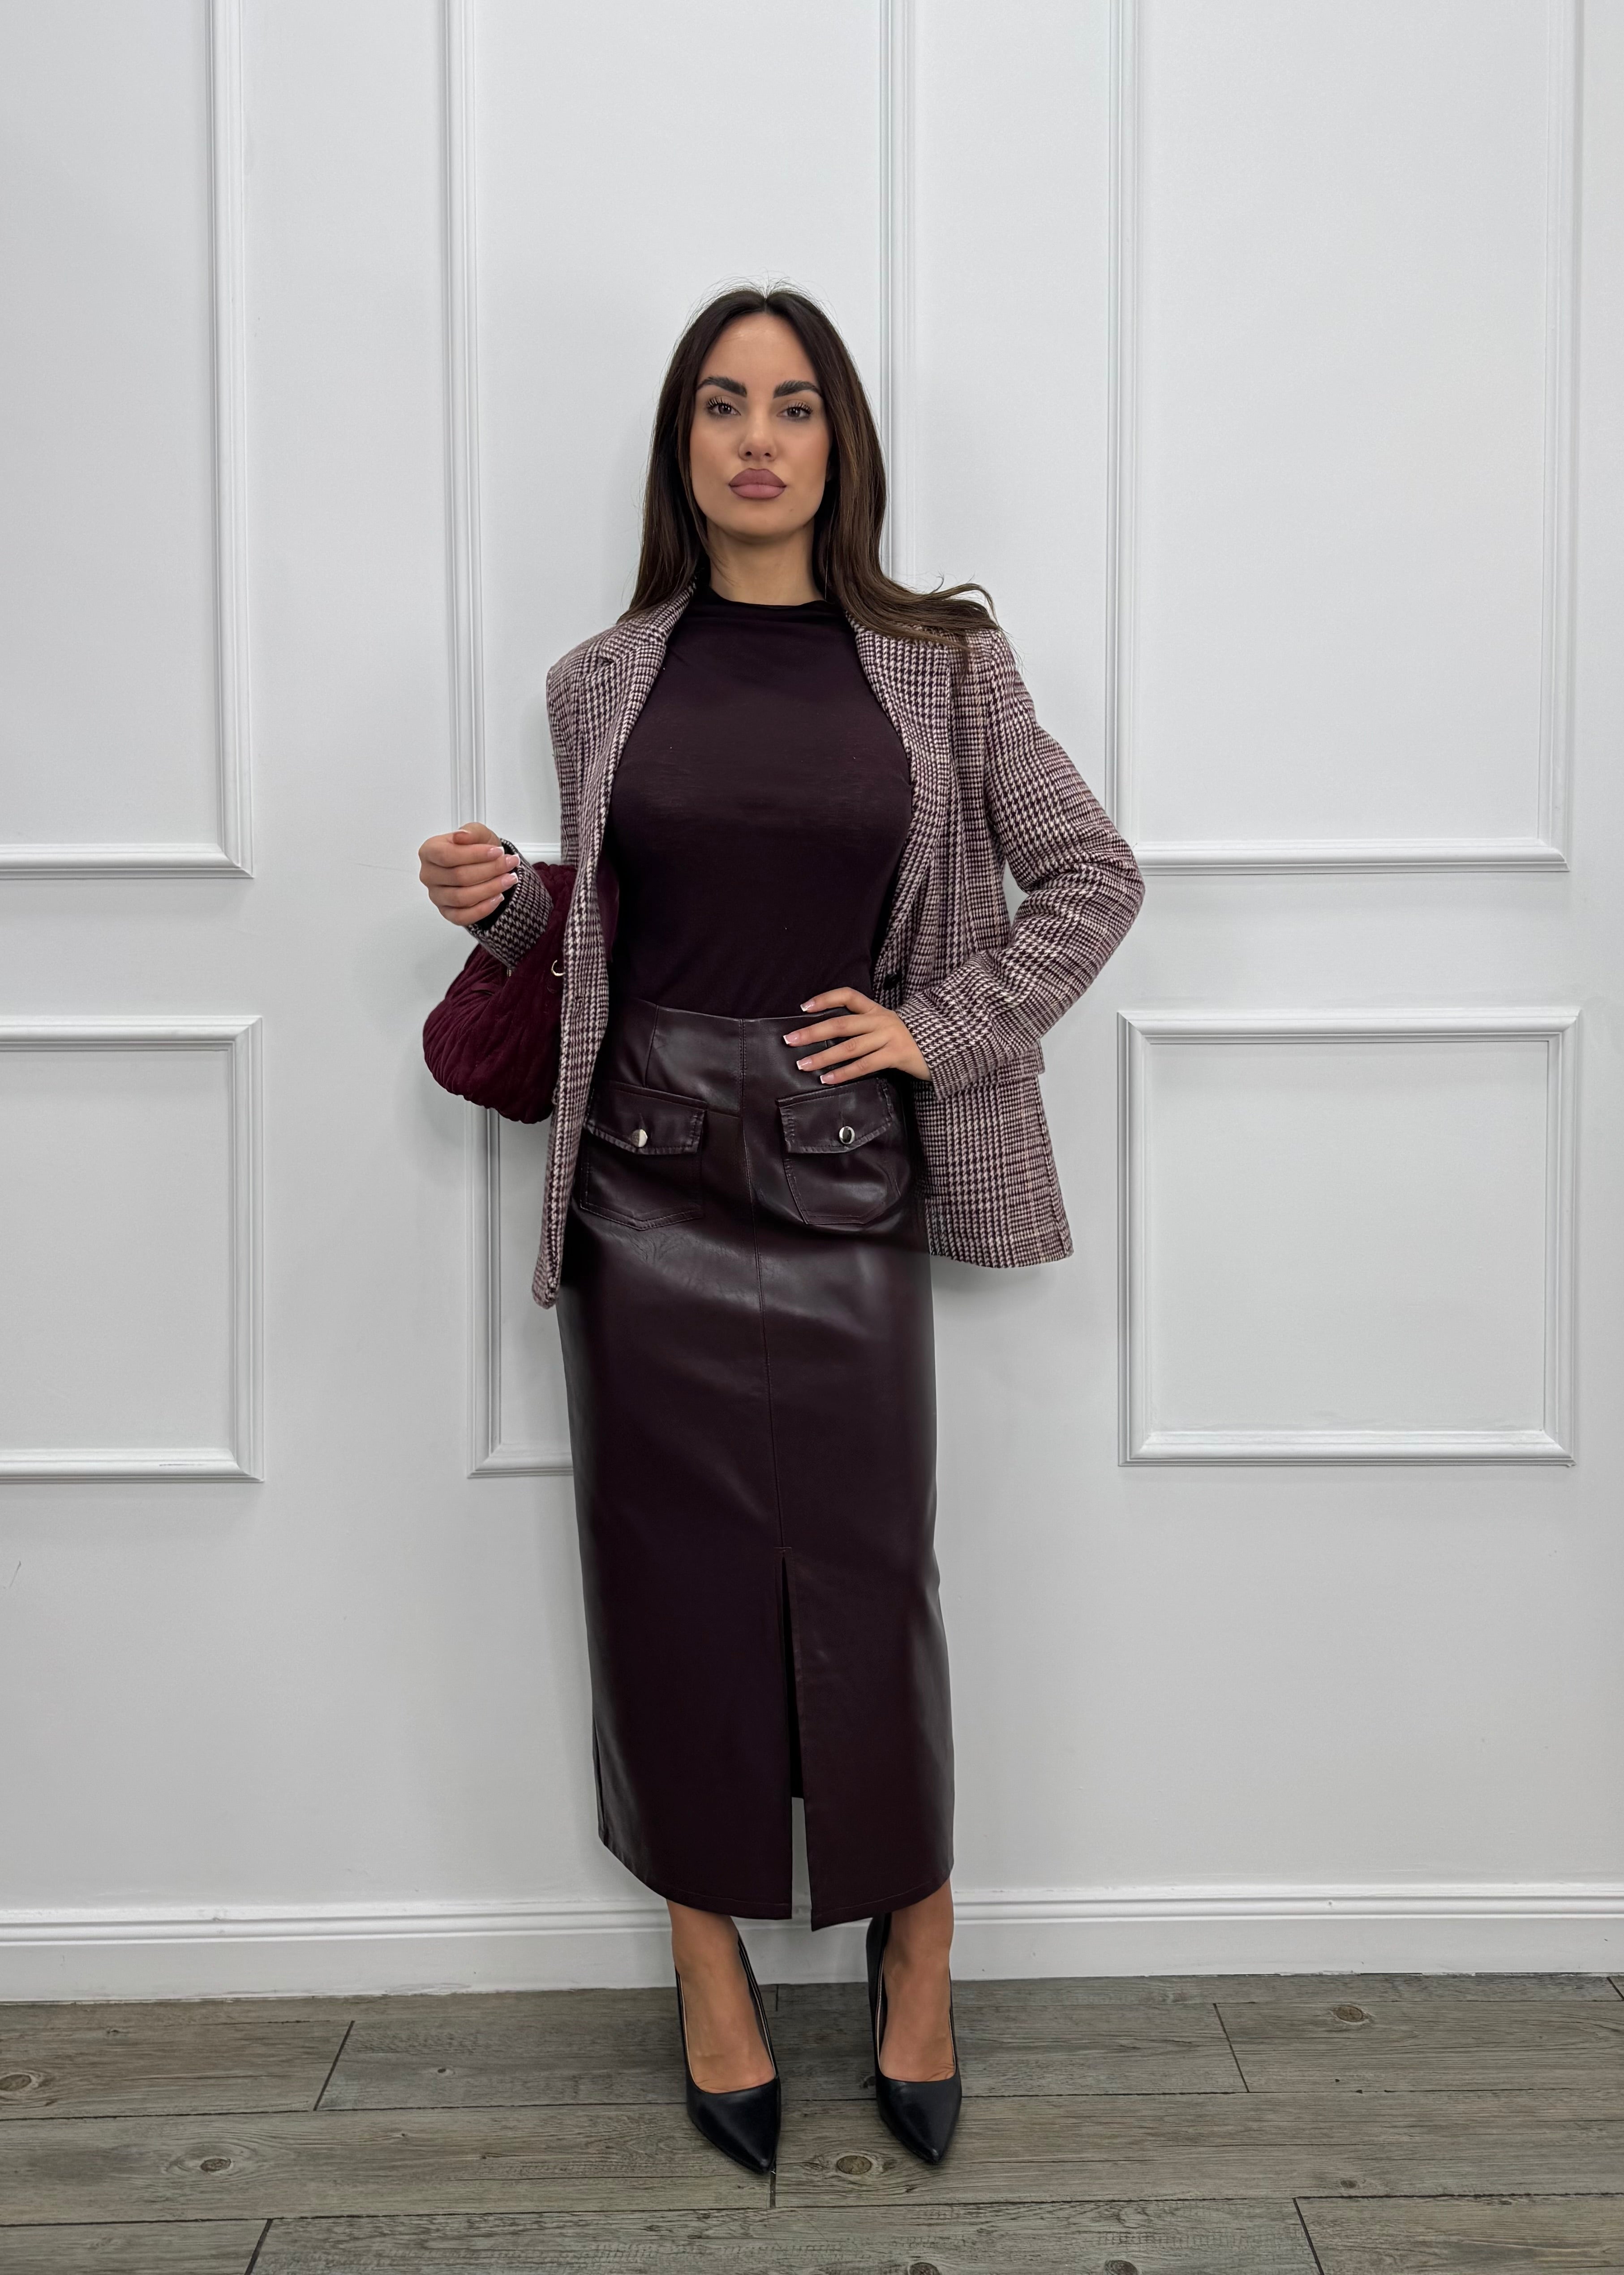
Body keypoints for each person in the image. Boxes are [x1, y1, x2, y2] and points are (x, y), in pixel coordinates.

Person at [417, 284, 1144, 2174]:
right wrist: (506, 908)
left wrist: (938, 1027)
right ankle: (706, 1965)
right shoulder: (599, 678)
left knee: (870, 1577)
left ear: (841, 442)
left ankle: (920, 1934)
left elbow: (1090, 873)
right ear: (683, 444)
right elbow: (618, 935)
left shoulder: (943, 660)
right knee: (658, 1582)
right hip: (639, 1174)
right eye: (725, 405)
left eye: (797, 405)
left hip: (840, 1172)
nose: (759, 439)